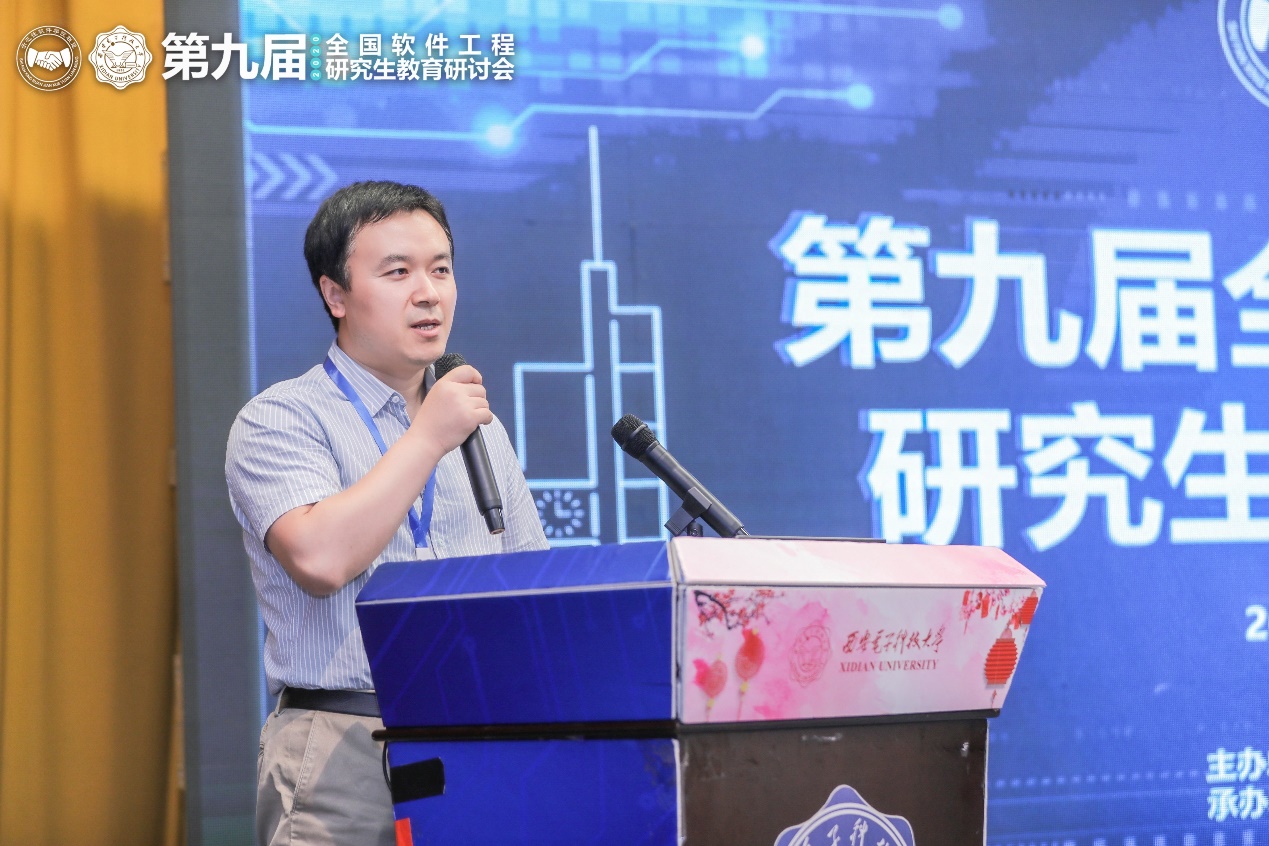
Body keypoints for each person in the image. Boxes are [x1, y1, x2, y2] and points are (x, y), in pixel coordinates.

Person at [225, 181, 548, 845]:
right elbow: (319, 559)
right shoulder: (281, 418)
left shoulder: (479, 431)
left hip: (474, 748)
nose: (428, 293)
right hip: (340, 747)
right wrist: (428, 437)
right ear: (335, 294)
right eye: (398, 272)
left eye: (441, 270)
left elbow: (533, 589)